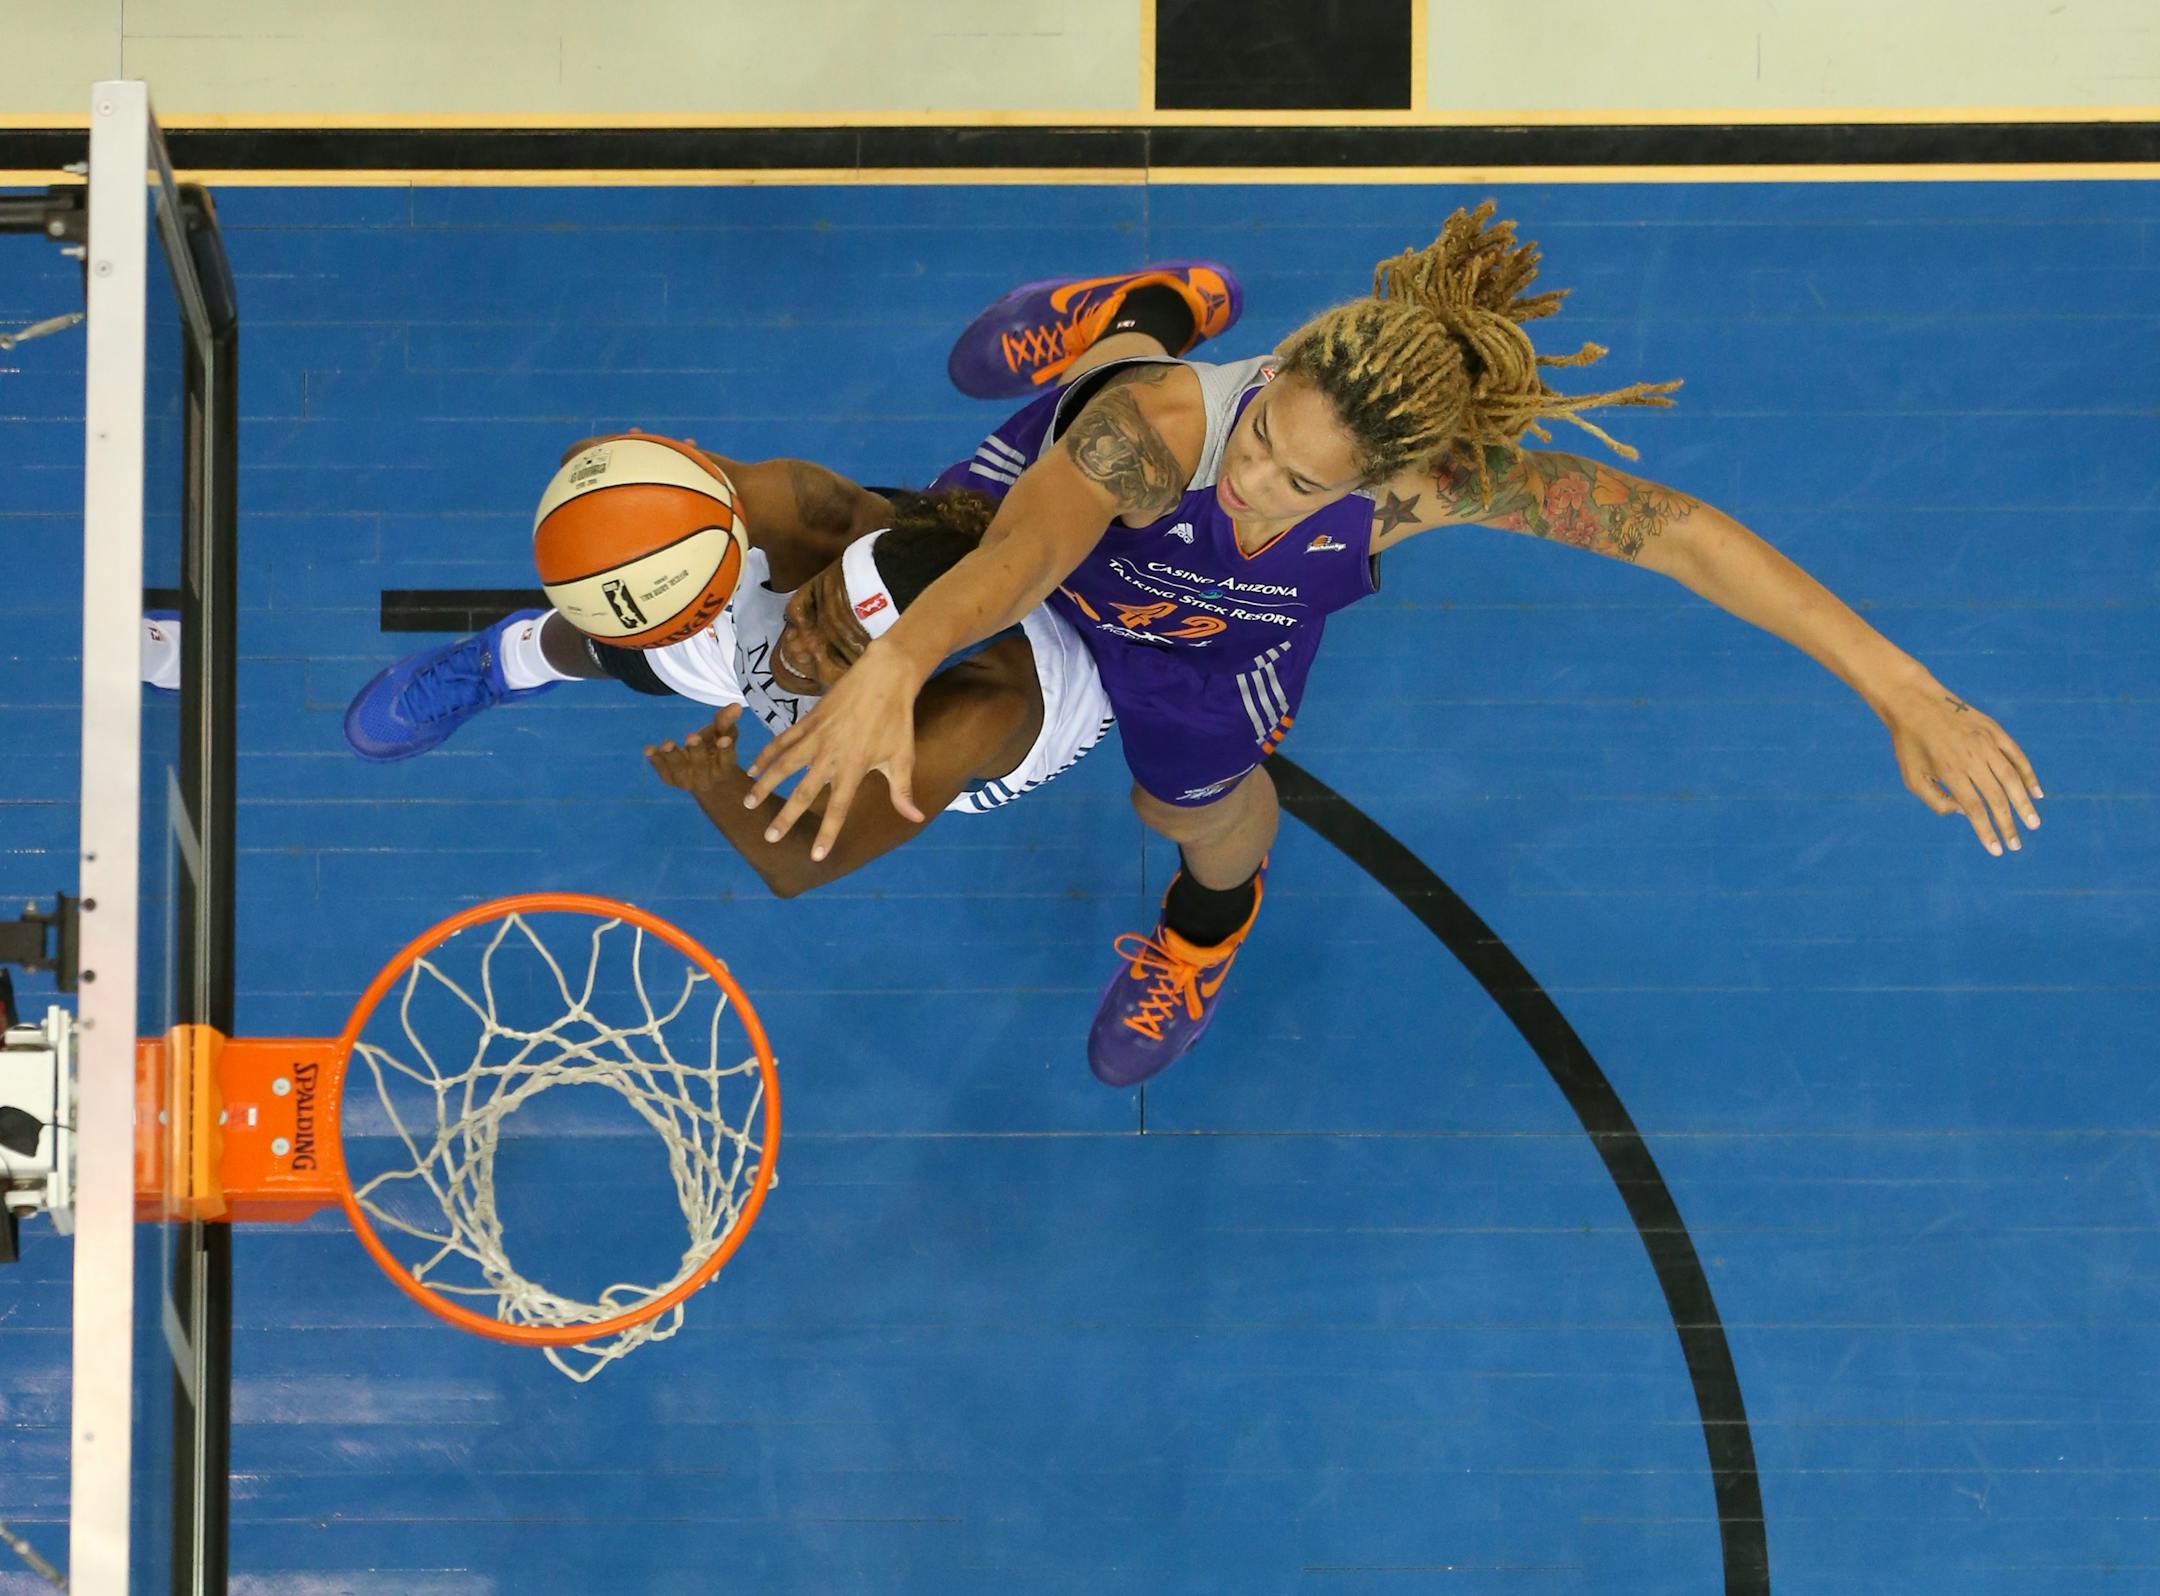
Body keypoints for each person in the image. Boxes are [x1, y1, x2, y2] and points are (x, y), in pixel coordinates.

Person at [739, 205, 2044, 1088]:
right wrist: (902, 664)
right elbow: (1020, 561)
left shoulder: (1434, 484)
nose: (1253, 481)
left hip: (1213, 633)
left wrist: (1903, 690)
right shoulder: (1165, 437)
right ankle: (1130, 313)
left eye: (1301, 482)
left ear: (1398, 483)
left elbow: (1675, 531)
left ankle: (1205, 934)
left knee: (1186, 806)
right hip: (1067, 514)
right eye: (1261, 436)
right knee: (1048, 445)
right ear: (1279, 375)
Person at [340, 452, 1113, 897]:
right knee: (653, 625)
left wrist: (718, 783)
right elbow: (627, 473)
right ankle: (504, 662)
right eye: (814, 606)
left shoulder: (975, 713)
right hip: (879, 620)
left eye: (838, 648)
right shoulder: (822, 522)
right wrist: (629, 488)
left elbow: (802, 861)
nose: (795, 649)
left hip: (972, 730)